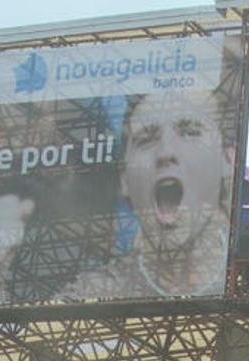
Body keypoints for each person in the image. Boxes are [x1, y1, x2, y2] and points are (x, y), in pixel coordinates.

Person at [56, 89, 235, 300]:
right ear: (124, 179)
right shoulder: (89, 294)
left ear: (228, 159)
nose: (166, 153)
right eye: (146, 139)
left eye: (190, 133)